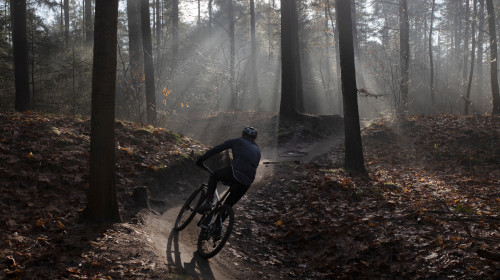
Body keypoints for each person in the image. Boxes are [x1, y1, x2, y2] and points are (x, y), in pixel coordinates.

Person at [195, 127, 261, 212]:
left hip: (236, 171)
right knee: (228, 205)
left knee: (214, 176)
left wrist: (201, 159)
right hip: (248, 180)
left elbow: (217, 149)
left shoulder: (237, 141)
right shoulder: (257, 149)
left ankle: (209, 202)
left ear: (242, 134)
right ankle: (218, 224)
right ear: (254, 138)